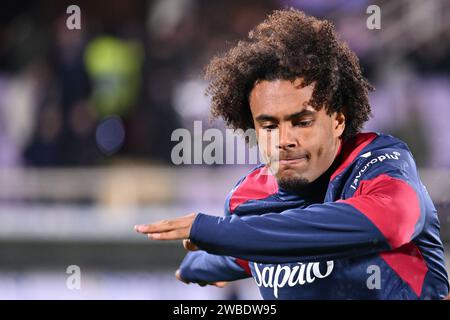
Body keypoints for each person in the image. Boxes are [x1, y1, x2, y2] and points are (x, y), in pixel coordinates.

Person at [135, 9, 449, 299]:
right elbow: (253, 245)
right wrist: (200, 265)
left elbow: (392, 222)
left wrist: (220, 232)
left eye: (302, 122)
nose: (284, 140)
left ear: (338, 120)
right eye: (268, 125)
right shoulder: (248, 200)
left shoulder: (379, 163)